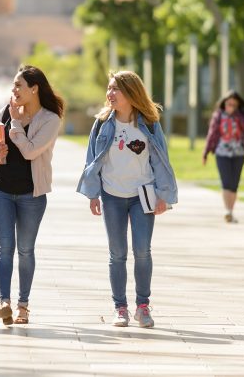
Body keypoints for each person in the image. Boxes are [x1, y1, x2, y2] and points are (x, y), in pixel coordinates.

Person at [77, 71, 178, 329]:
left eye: (116, 89)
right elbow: (92, 161)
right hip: (112, 196)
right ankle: (119, 307)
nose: (110, 94)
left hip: (142, 195)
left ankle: (142, 306)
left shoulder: (150, 123)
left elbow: (161, 161)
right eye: (109, 89)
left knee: (142, 252)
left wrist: (163, 196)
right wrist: (93, 194)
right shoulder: (102, 123)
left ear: (131, 93)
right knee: (117, 254)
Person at [0, 65, 64, 326]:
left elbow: (30, 152)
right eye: (13, 85)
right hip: (0, 190)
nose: (14, 90)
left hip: (32, 194)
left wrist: (16, 125)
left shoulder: (50, 119)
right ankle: (4, 302)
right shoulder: (2, 112)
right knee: (4, 248)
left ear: (34, 88)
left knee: (26, 250)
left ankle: (23, 305)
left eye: (19, 85)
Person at [202, 91, 244, 223]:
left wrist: (237, 115)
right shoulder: (218, 116)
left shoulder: (241, 116)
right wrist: (205, 152)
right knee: (226, 182)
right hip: (222, 153)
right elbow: (211, 134)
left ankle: (231, 210)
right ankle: (227, 211)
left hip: (238, 153)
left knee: (234, 184)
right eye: (228, 103)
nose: (230, 106)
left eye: (234, 105)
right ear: (224, 103)